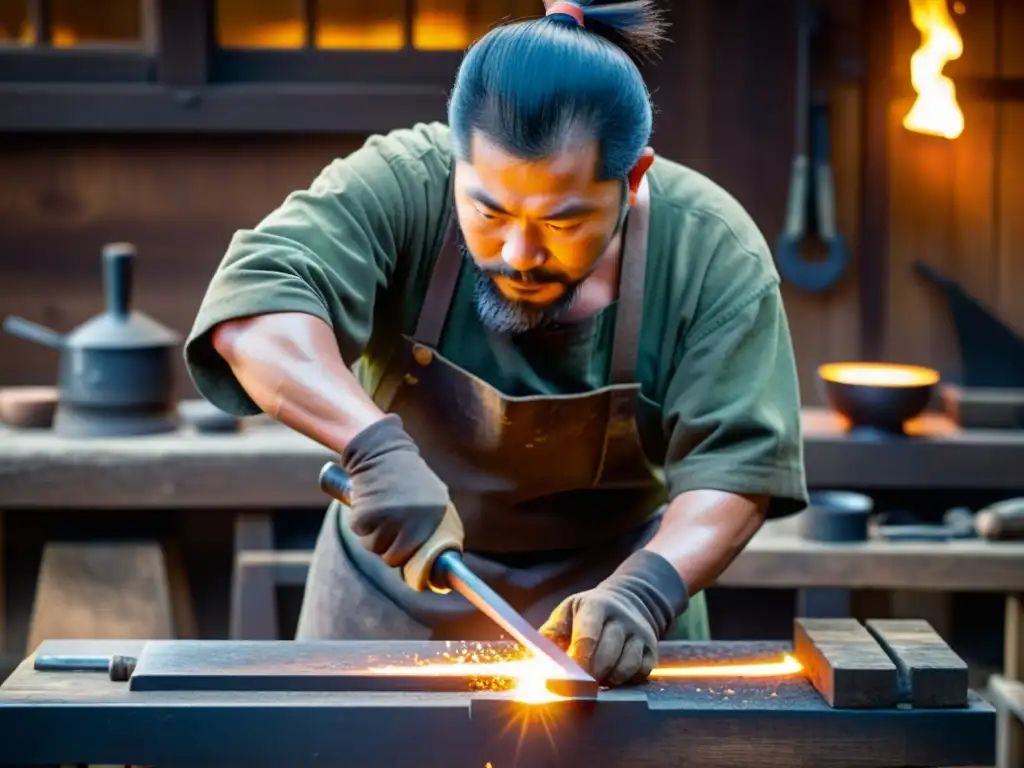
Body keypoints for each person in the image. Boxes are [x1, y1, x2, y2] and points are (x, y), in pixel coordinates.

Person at [184, 0, 808, 688]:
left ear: (632, 181)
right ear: (456, 162)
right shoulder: (401, 184)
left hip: (608, 627)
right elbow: (256, 311)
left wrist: (647, 592)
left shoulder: (709, 252)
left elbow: (738, 469)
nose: (518, 252)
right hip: (384, 603)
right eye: (488, 211)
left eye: (561, 223)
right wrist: (373, 447)